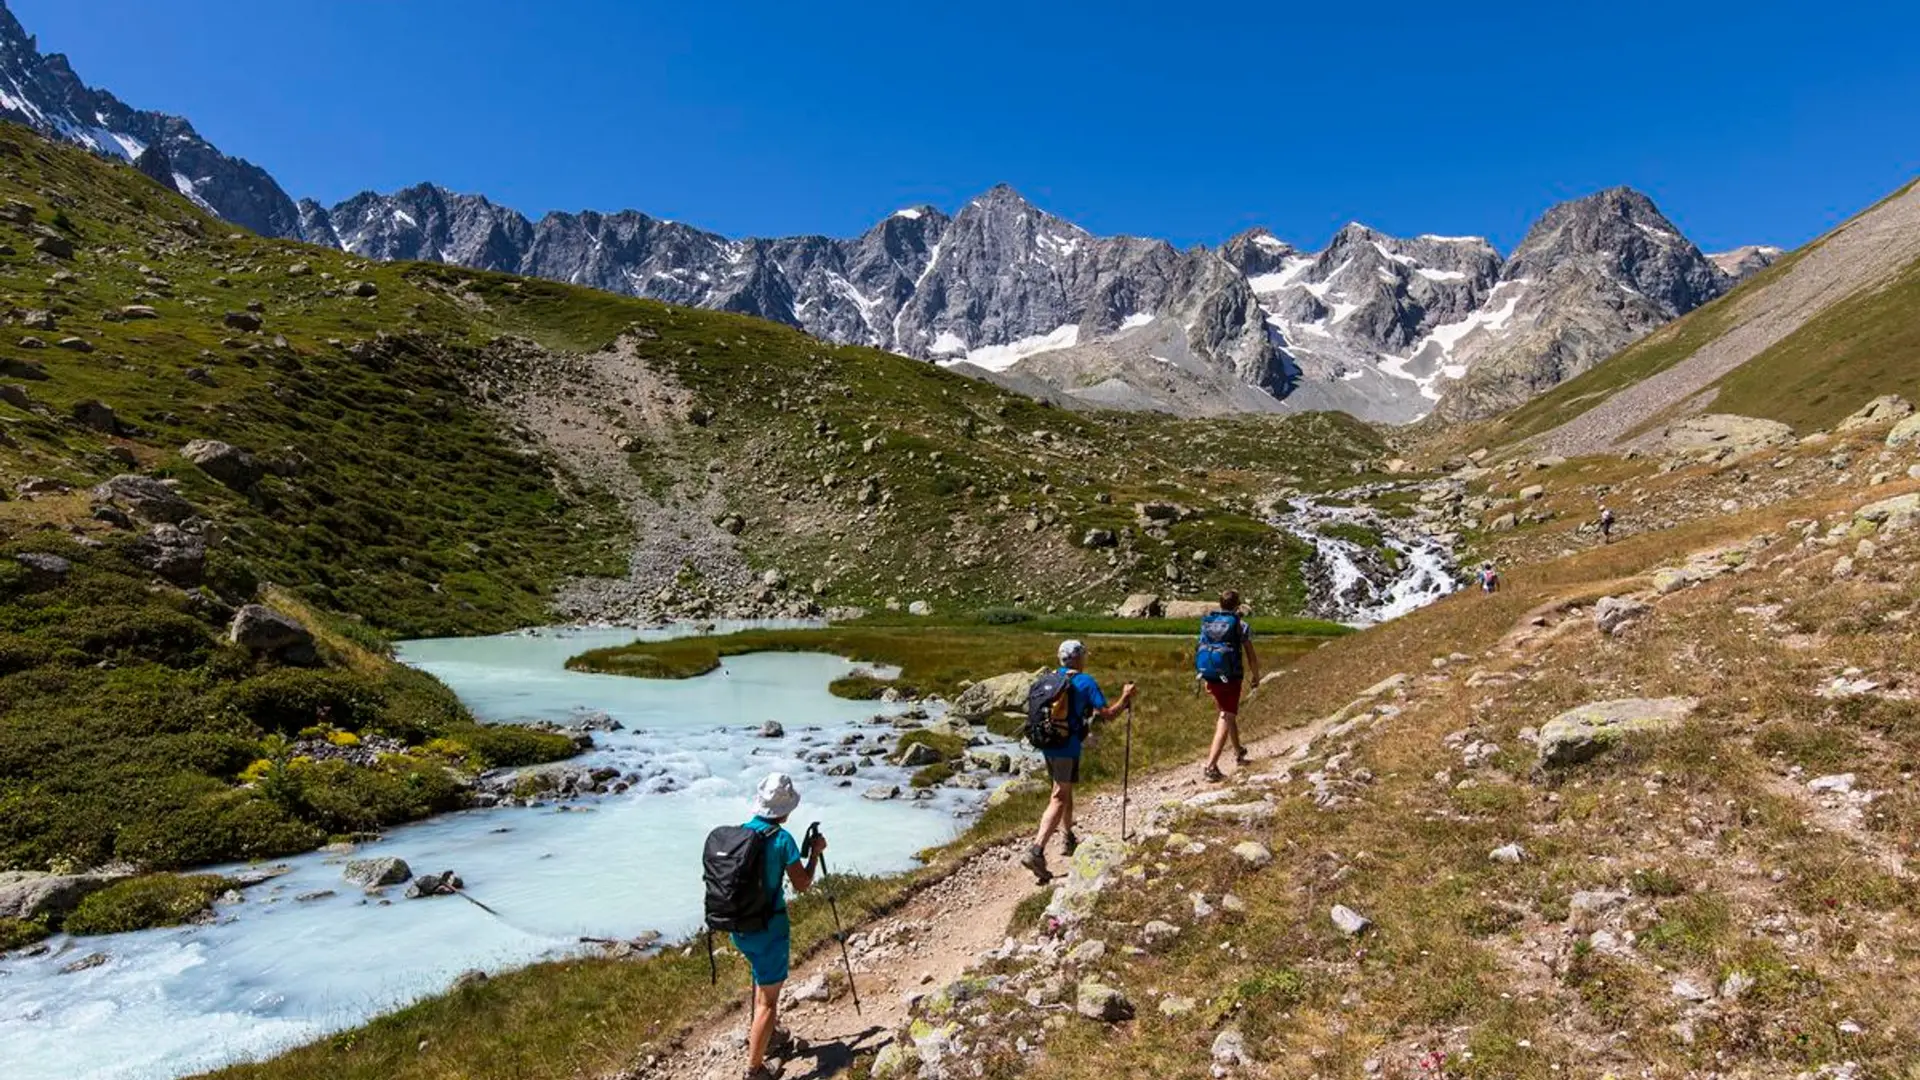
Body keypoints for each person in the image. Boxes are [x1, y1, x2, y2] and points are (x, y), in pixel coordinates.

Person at [730, 773, 825, 1080]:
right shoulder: (782, 840)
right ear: (784, 809)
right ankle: (754, 1069)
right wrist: (815, 855)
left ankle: (770, 1035)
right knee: (768, 1003)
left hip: (739, 927)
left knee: (760, 980)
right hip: (769, 928)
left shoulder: (741, 833)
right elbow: (803, 885)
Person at [1020, 640, 1136, 883]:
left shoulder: (1047, 679)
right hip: (1067, 745)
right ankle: (1037, 850)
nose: (1085, 659)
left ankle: (1067, 836)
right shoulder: (1085, 681)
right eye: (1084, 655)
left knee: (1063, 788)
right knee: (1059, 795)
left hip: (1046, 741)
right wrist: (1125, 698)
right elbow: (1107, 715)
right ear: (1078, 658)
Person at [1198, 589, 1262, 782]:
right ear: (1238, 605)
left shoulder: (1209, 623)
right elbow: (1250, 655)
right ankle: (1211, 767)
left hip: (1210, 675)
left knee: (1228, 712)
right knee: (1226, 716)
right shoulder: (1240, 625)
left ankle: (1238, 752)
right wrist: (1256, 676)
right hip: (1231, 678)